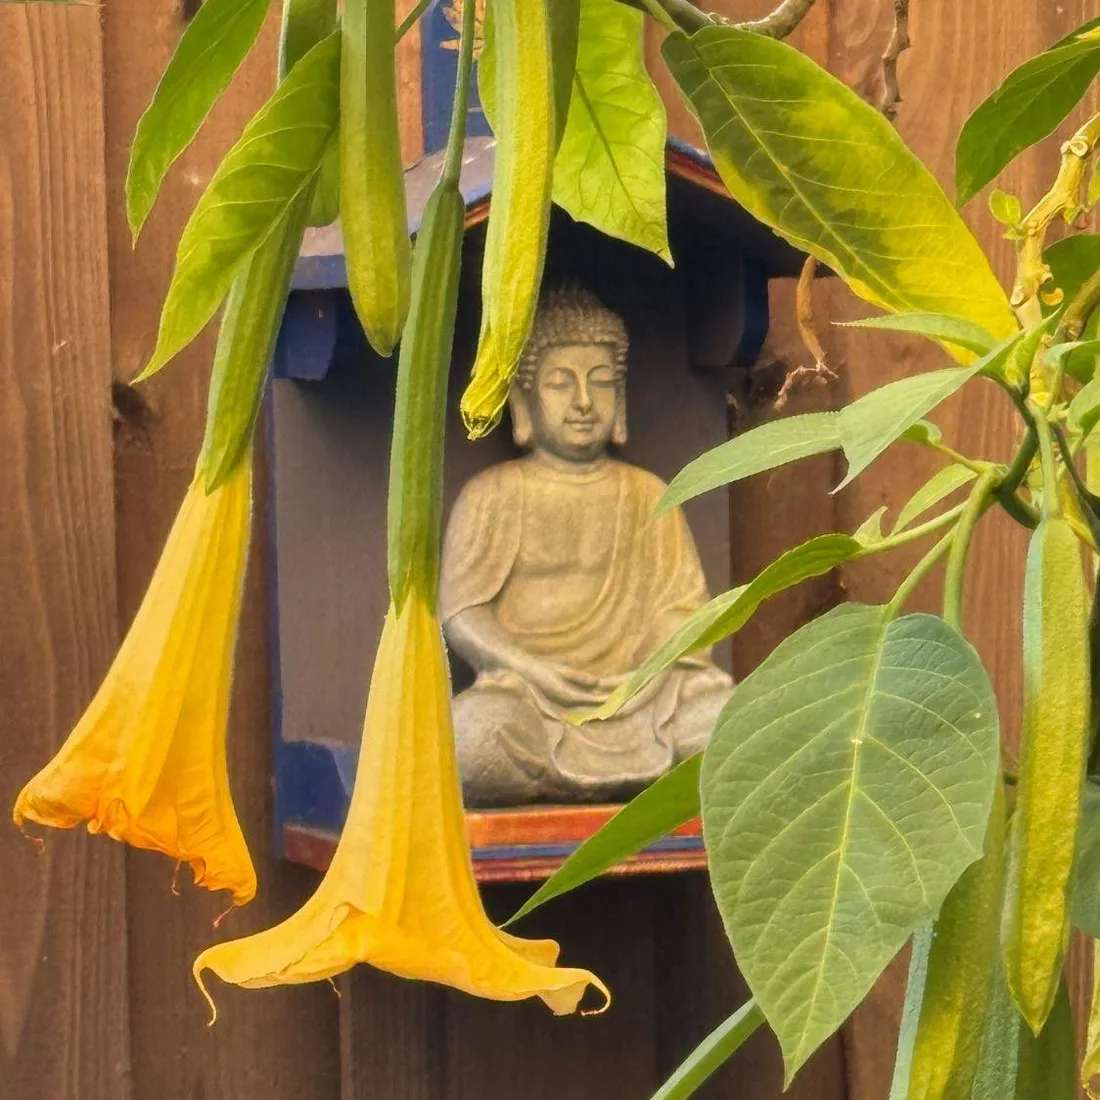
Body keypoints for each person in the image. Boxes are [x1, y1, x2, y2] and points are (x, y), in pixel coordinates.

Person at [441, 287, 733, 807]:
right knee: (471, 742)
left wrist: (646, 673)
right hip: (532, 701)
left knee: (729, 722)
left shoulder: (649, 494)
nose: (582, 401)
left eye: (600, 383)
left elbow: (685, 613)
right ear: (523, 401)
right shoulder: (494, 494)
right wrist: (532, 669)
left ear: (620, 400)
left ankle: (639, 764)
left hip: (646, 700)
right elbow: (463, 614)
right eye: (560, 383)